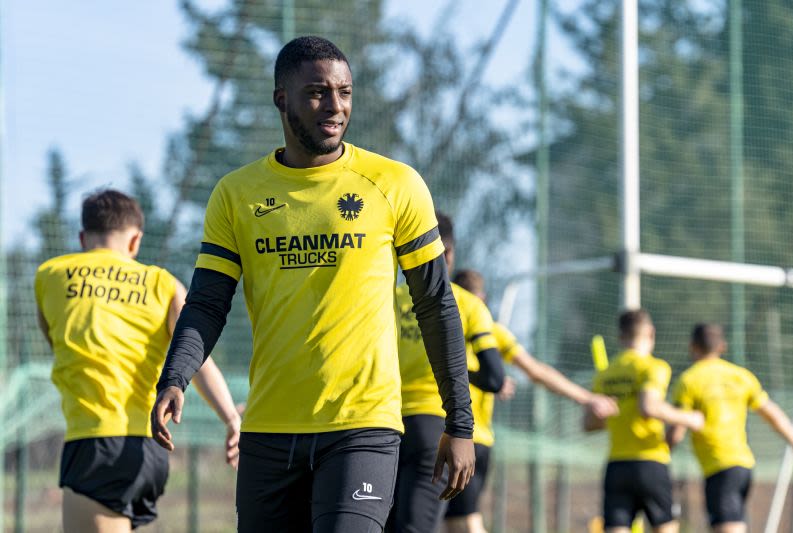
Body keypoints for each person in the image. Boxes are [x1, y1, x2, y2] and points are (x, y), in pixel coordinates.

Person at [150, 36, 475, 533]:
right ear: (282, 99)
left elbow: (435, 304)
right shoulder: (236, 194)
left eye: (344, 92)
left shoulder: (395, 183)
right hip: (268, 430)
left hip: (361, 426)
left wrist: (460, 423)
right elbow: (208, 303)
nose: (335, 106)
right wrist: (175, 377)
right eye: (318, 92)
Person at [34, 189, 241, 533]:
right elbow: (196, 354)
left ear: (83, 238)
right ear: (135, 241)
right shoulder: (162, 283)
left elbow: (54, 341)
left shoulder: (51, 275)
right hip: (151, 446)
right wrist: (231, 418)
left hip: (95, 441)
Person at [447, 269, 618, 533]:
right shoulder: (485, 328)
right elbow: (537, 371)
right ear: (482, 298)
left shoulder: (465, 329)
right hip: (466, 437)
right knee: (454, 522)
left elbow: (535, 371)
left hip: (461, 435)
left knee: (465, 520)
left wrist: (587, 398)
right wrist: (587, 398)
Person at [389, 213, 505, 533]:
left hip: (384, 423)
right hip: (435, 427)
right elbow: (495, 378)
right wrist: (449, 370)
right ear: (449, 252)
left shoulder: (388, 299)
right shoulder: (467, 304)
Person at [667, 323, 793, 533]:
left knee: (728, 527)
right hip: (744, 465)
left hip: (719, 465)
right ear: (723, 346)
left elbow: (676, 432)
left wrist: (659, 455)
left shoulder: (688, 380)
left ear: (692, 346)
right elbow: (772, 414)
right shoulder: (741, 376)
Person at [584, 309, 704, 533]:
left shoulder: (605, 374)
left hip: (617, 465)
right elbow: (649, 407)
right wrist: (690, 418)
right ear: (651, 333)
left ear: (620, 336)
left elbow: (589, 424)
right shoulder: (653, 367)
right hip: (650, 461)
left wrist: (617, 411)